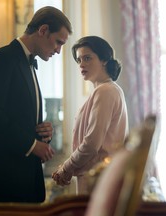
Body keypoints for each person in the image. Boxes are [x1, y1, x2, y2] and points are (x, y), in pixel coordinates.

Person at [0, 6, 72, 203]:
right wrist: (32, 144)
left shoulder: (28, 64)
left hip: (23, 178)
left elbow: (18, 116)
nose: (59, 51)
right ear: (43, 30)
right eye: (58, 42)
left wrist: (43, 132)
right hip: (1, 178)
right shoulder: (1, 59)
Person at [52, 36, 129, 194]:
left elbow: (91, 144)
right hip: (99, 177)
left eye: (87, 58)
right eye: (79, 60)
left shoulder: (106, 91)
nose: (82, 64)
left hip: (99, 179)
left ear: (104, 60)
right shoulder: (105, 90)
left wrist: (66, 168)